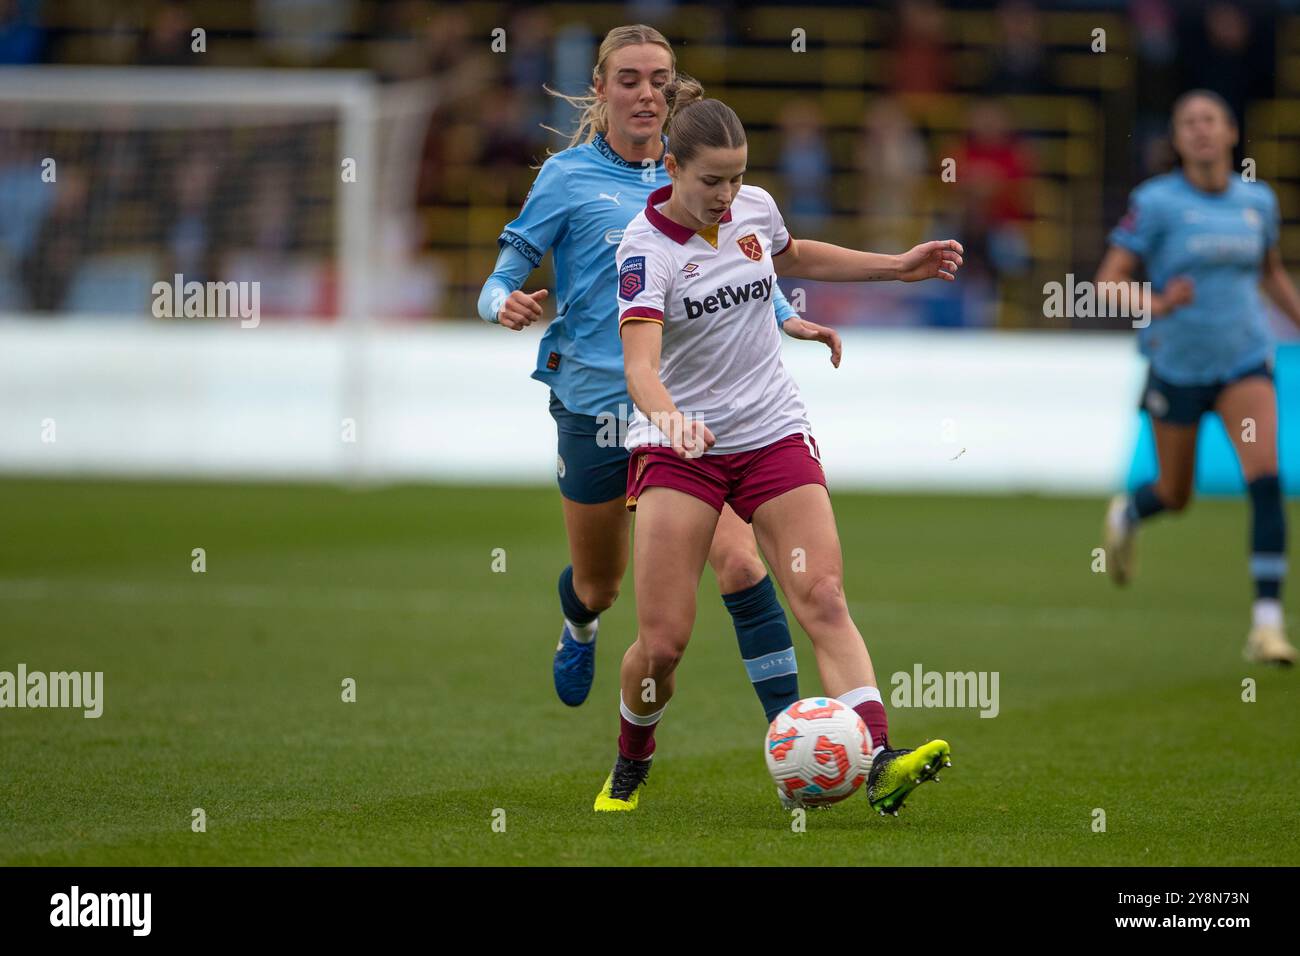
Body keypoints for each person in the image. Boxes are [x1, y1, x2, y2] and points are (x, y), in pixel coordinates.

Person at [595, 92, 962, 814]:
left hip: (771, 432)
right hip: (682, 450)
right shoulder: (644, 250)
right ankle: (632, 757)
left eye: (737, 177)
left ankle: (880, 760)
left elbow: (791, 256)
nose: (726, 195)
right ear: (671, 168)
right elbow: (640, 368)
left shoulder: (755, 208)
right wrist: (672, 422)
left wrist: (897, 266)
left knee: (822, 595)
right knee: (663, 644)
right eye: (711, 180)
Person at [478, 26, 844, 718]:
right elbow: (498, 278)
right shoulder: (567, 178)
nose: (647, 94)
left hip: (687, 415)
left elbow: (736, 263)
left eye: (660, 81)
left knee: (742, 564)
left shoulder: (697, 170)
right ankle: (580, 623)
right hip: (598, 406)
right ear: (601, 88)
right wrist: (503, 302)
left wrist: (781, 315)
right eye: (630, 80)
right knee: (601, 586)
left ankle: (792, 735)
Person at [1099, 89, 1300, 665]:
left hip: (1245, 360)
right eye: (1189, 122)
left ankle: (1267, 625)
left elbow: (1270, 272)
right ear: (1178, 139)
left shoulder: (1257, 201)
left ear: (1231, 132)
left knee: (1265, 477)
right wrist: (1157, 303)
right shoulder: (1156, 202)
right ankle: (1129, 512)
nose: (1201, 129)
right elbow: (1109, 281)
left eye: (1210, 119)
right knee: (1175, 494)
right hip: (1177, 365)